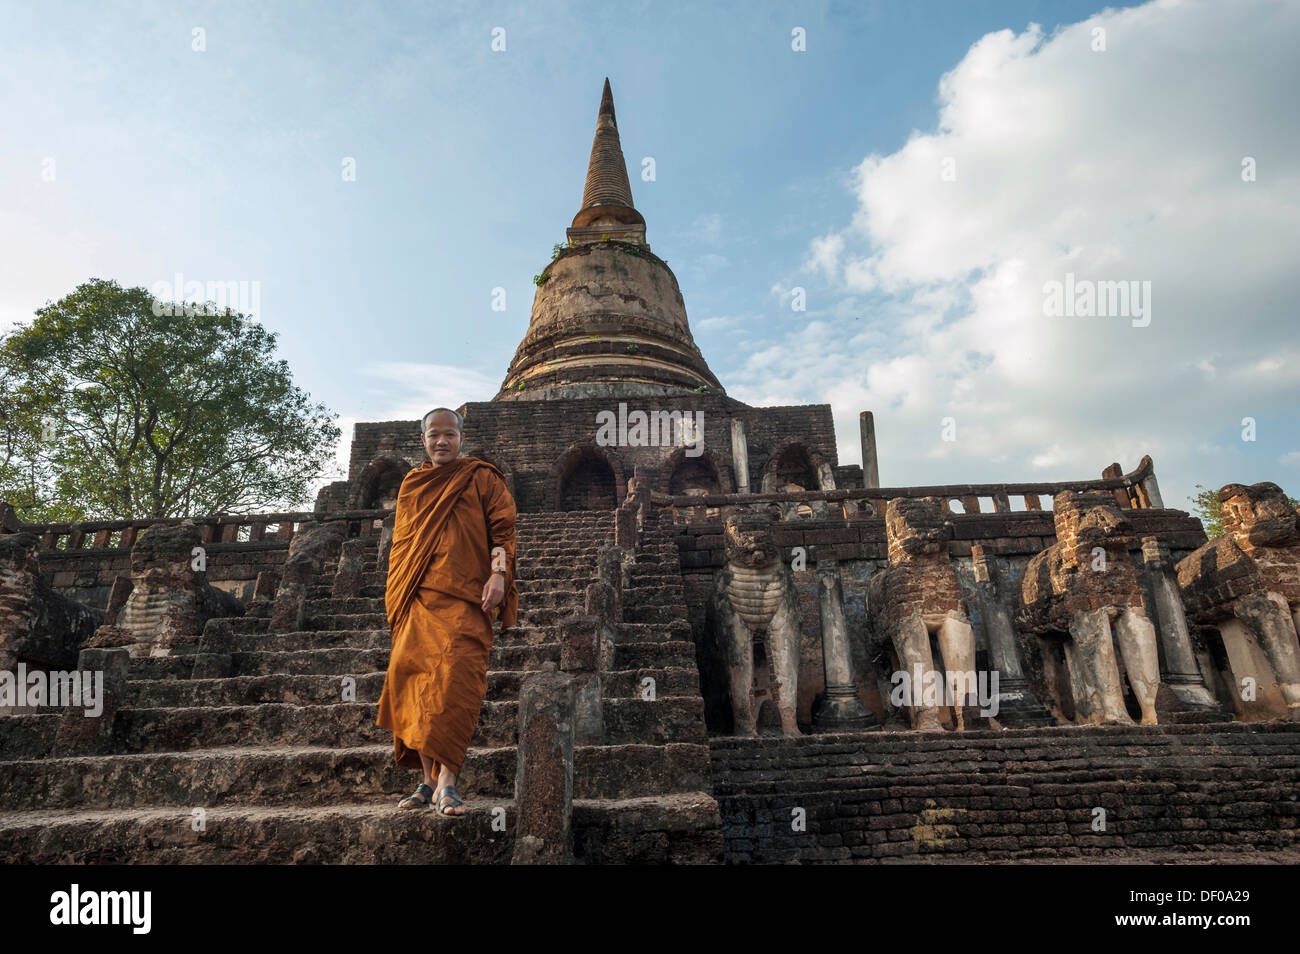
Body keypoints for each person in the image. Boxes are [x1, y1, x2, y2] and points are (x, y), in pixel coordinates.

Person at [376, 407, 518, 815]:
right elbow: (403, 546)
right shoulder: (413, 485)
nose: (442, 441)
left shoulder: (481, 478)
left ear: (461, 438)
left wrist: (497, 576)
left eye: (450, 435)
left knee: (454, 686)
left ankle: (448, 782)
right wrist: (399, 594)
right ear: (423, 440)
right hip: (417, 598)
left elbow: (503, 531)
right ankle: (426, 780)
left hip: (467, 599)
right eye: (434, 435)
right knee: (416, 686)